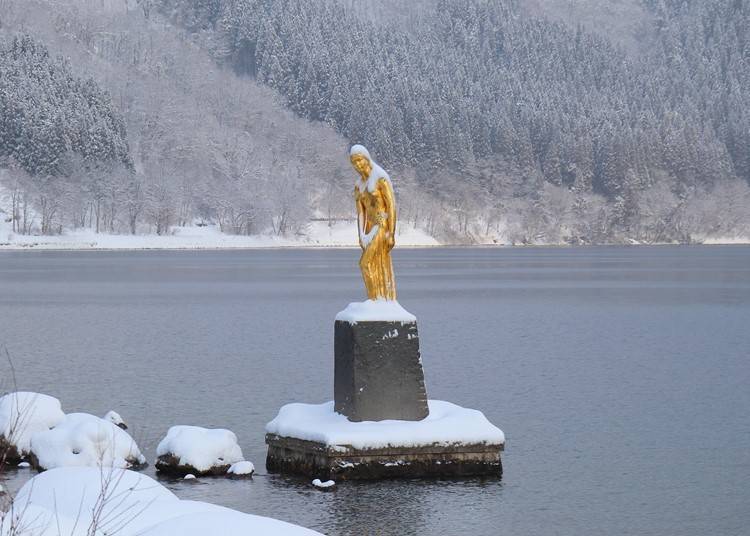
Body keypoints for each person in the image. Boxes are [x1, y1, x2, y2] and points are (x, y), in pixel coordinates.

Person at [349, 144, 397, 301]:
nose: (357, 165)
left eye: (359, 160)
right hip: (369, 226)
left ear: (366, 158)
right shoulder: (358, 185)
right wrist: (361, 234)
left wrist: (392, 233)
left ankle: (375, 300)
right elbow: (361, 212)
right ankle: (377, 298)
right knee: (372, 264)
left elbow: (391, 206)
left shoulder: (380, 177)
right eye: (354, 162)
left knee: (365, 263)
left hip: (381, 223)